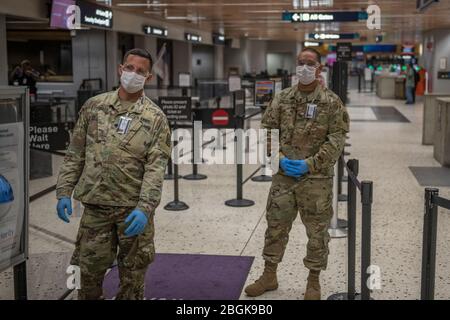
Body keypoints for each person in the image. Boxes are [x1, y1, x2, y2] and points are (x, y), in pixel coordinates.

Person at [55, 48, 171, 300]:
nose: (133, 74)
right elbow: (75, 153)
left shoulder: (155, 118)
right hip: (96, 209)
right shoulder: (94, 107)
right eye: (129, 68)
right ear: (120, 69)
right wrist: (64, 191)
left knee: (132, 280)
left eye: (140, 71)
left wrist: (145, 207)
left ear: (148, 77)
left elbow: (155, 168)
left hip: (132, 211)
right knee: (88, 275)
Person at [244, 48, 350, 300]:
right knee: (275, 227)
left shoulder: (331, 102)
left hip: (316, 181)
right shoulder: (282, 98)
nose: (304, 67)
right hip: (284, 178)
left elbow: (336, 140)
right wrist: (278, 158)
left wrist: (310, 164)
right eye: (301, 63)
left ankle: (313, 281)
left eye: (310, 63)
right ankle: (269, 275)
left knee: (317, 232)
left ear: (319, 68)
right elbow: (268, 129)